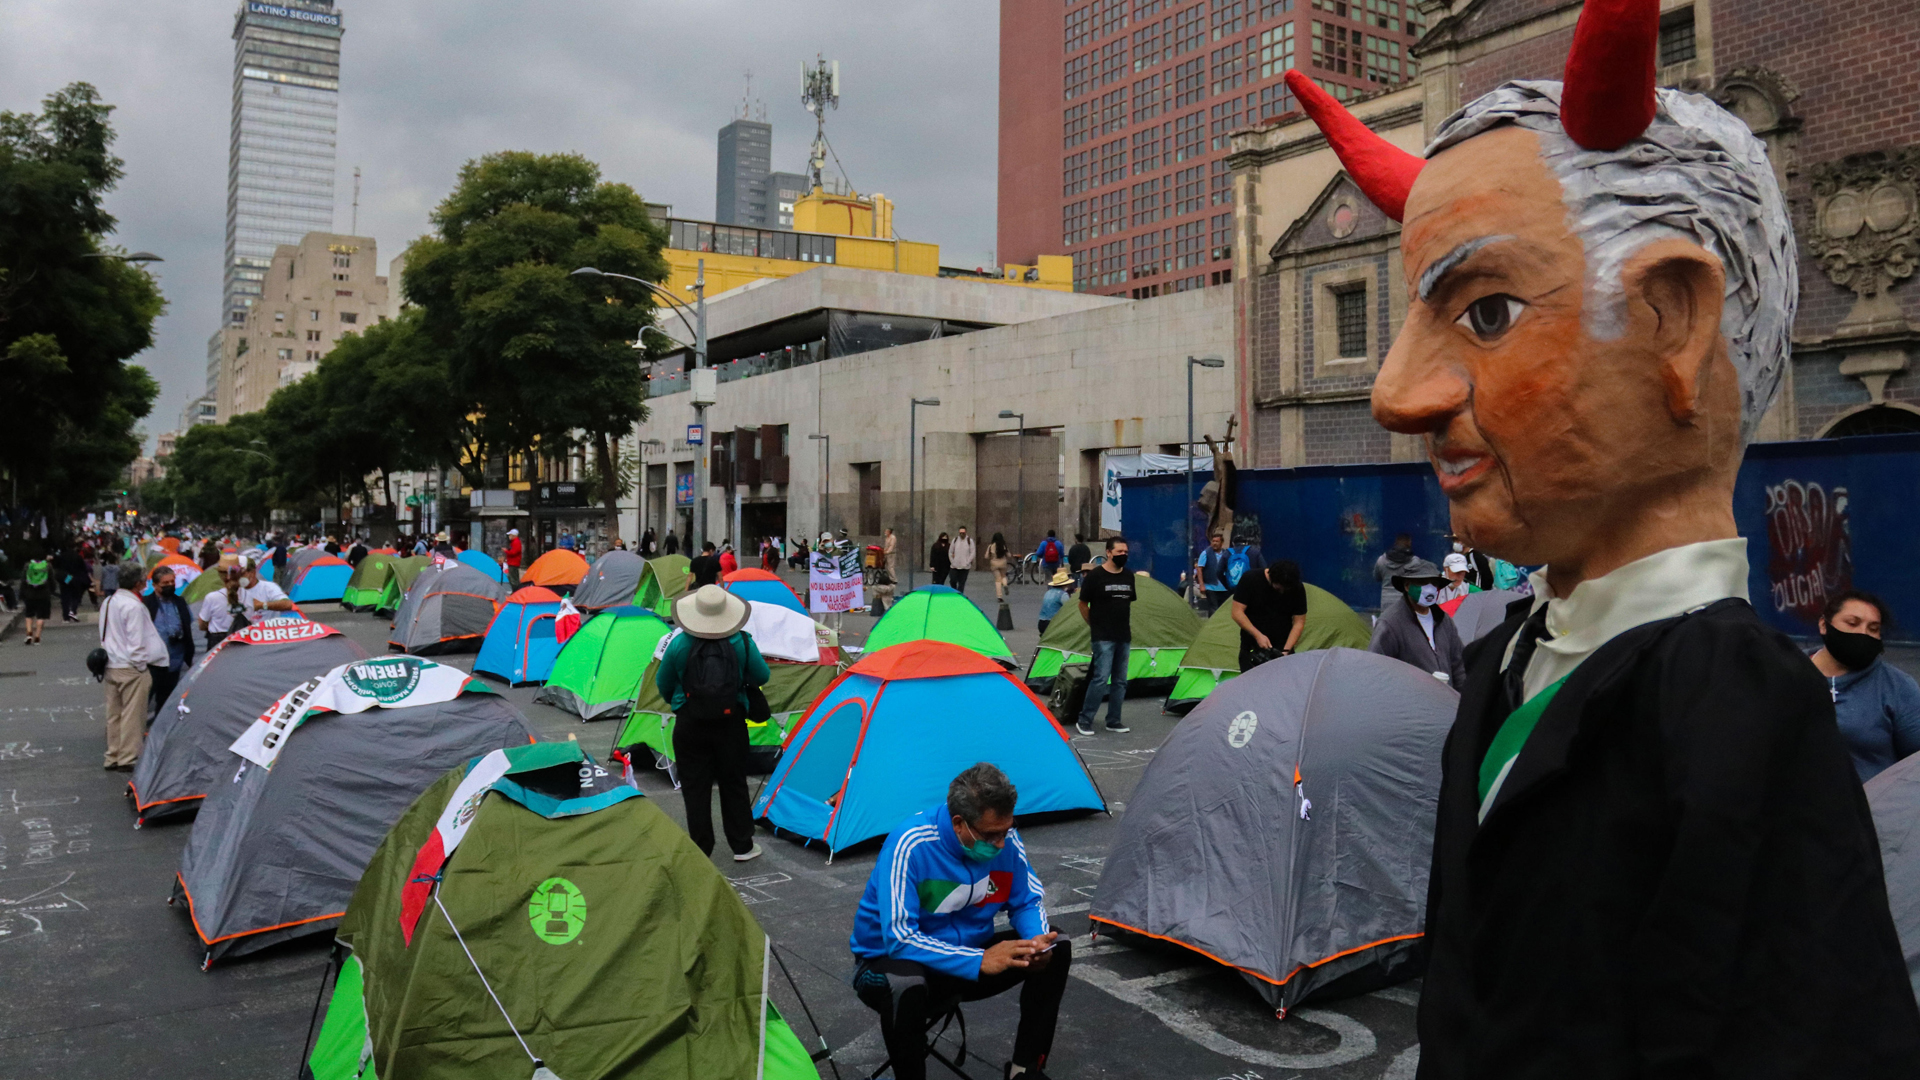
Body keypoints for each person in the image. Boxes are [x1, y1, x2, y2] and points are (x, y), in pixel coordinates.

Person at [1285, 14, 1920, 1072]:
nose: (1395, 392)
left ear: (1674, 321)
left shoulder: (1734, 706)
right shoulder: (1506, 655)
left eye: (1485, 313)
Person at [850, 763, 1069, 1080]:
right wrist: (979, 959)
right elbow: (899, 938)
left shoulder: (1003, 838)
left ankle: (1025, 1070)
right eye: (992, 835)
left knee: (1057, 946)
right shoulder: (910, 844)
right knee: (905, 984)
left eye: (1007, 830)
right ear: (959, 824)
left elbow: (1027, 899)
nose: (1001, 844)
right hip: (888, 965)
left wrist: (1036, 941)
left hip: (969, 957)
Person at [655, 585, 769, 861]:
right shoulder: (742, 642)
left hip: (690, 724)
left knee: (695, 787)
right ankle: (742, 846)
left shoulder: (679, 643)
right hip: (731, 724)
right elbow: (762, 676)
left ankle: (701, 849)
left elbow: (663, 684)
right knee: (734, 783)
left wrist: (683, 703)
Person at [1808, 589, 1920, 782]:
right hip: (1796, 807)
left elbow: (1916, 761)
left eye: (1873, 629)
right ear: (1823, 625)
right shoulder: (1786, 671)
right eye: (1852, 623)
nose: (1862, 633)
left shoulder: (1897, 686)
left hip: (1873, 808)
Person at [100, 563, 166, 771]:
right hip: (130, 665)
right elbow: (136, 641)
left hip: (111, 662)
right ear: (138, 583)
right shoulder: (134, 606)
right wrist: (140, 666)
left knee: (115, 713)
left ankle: (113, 754)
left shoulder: (109, 601)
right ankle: (128, 756)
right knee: (133, 715)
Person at [1366, 560, 1466, 686]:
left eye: (1434, 584)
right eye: (1422, 583)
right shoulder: (1390, 623)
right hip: (1410, 702)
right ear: (1407, 586)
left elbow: (1459, 666)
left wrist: (1463, 699)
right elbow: (1376, 670)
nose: (1429, 589)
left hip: (1445, 702)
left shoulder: (1443, 620)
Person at [1075, 537, 1135, 737]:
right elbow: (1082, 604)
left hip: (1123, 635)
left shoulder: (1128, 576)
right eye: (1119, 552)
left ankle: (1114, 720)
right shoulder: (1095, 576)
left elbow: (1128, 603)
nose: (1123, 555)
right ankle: (1085, 720)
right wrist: (1094, 625)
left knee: (1120, 681)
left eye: (1125, 552)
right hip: (1103, 636)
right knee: (1100, 678)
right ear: (1108, 552)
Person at [1231, 559, 1307, 672]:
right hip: (1252, 648)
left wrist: (1286, 651)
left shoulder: (1297, 588)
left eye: (1286, 589)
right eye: (1278, 588)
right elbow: (1236, 612)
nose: (1282, 592)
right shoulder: (1250, 579)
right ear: (1271, 578)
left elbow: (1299, 622)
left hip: (1283, 647)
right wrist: (1258, 635)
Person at [143, 567, 195, 721]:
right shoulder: (147, 603)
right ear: (155, 585)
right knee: (146, 697)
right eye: (165, 583)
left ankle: (161, 725)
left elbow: (188, 622)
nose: (170, 585)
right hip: (152, 661)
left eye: (172, 581)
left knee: (166, 699)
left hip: (175, 659)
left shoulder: (180, 601)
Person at [197, 566, 246, 650]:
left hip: (217, 640)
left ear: (222, 577)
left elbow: (202, 625)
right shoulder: (249, 594)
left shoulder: (212, 597)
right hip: (242, 638)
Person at [1372, 532, 1417, 612]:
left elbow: (1376, 577)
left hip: (1386, 601)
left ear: (1395, 543)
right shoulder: (1414, 562)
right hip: (1406, 601)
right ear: (1409, 543)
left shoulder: (1381, 560)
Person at [1193, 532, 1232, 614]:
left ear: (1221, 543)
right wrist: (1202, 584)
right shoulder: (1206, 553)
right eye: (1213, 541)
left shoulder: (1226, 553)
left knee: (1224, 609)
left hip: (1224, 587)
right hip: (1211, 587)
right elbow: (1200, 569)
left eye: (1217, 541)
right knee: (1213, 608)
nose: (1214, 543)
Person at [20, 552, 52, 645]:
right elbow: (51, 579)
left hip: (29, 594)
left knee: (29, 614)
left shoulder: (27, 565)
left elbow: (23, 580)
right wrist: (52, 590)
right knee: (41, 615)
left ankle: (29, 633)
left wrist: (22, 593)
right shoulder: (47, 566)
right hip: (43, 594)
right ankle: (37, 637)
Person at [1037, 569, 1074, 635]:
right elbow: (1069, 608)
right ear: (1065, 585)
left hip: (1041, 622)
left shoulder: (1048, 592)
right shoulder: (1063, 594)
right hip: (1053, 623)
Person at [948, 527, 975, 595]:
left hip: (965, 566)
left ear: (966, 532)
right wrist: (952, 562)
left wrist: (967, 562)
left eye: (963, 533)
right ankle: (954, 591)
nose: (962, 534)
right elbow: (950, 552)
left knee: (961, 582)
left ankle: (959, 595)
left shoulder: (970, 541)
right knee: (952, 580)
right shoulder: (955, 540)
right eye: (960, 533)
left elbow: (972, 552)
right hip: (955, 565)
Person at [988, 533, 1011, 601]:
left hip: (994, 563)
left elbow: (986, 556)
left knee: (998, 579)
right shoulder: (1004, 546)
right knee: (1003, 576)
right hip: (1003, 563)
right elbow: (1009, 555)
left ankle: (999, 596)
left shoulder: (991, 546)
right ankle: (1005, 584)